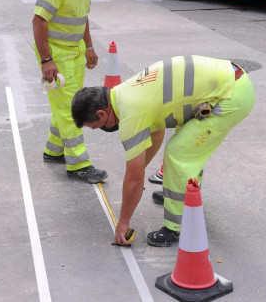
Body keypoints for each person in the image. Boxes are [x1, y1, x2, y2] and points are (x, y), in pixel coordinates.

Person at [71, 56, 254, 247]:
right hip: (229, 81)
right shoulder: (124, 93)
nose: (102, 129)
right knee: (187, 143)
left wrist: (123, 223)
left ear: (101, 113)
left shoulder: (131, 113)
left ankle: (175, 228)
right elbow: (156, 132)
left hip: (230, 95)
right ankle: (187, 196)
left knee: (178, 154)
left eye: (97, 126)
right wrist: (140, 172)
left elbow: (134, 180)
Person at [33, 0, 112, 183]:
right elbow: (38, 21)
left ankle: (54, 150)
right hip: (56, 56)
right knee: (70, 109)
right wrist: (47, 60)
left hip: (75, 53)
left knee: (66, 104)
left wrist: (88, 47)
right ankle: (79, 164)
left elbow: (82, 16)